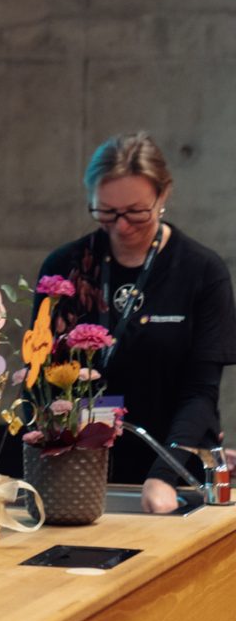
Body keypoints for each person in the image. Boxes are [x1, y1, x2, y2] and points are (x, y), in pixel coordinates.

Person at [33, 132, 236, 513]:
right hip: (78, 470)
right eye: (106, 213)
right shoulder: (65, 270)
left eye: (136, 212)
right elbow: (39, 380)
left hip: (173, 471)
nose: (121, 226)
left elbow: (200, 393)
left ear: (164, 196)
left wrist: (163, 475)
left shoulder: (202, 271)